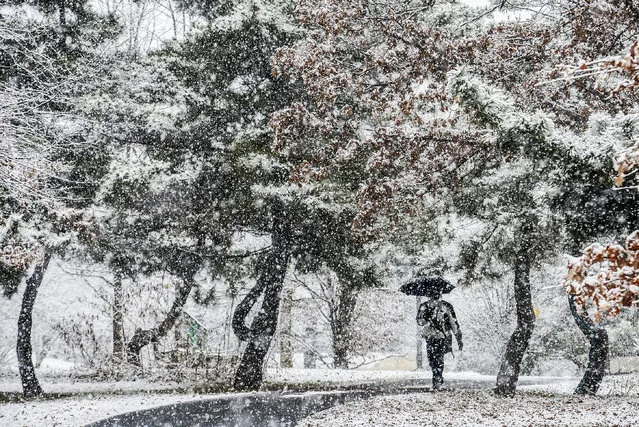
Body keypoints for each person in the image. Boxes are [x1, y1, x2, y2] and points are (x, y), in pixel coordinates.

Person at [417, 292, 463, 389]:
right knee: (431, 358)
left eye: (436, 296)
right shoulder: (424, 307)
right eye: (432, 296)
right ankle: (436, 374)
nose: (434, 298)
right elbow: (419, 321)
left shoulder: (446, 306)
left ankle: (437, 377)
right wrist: (426, 317)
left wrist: (458, 338)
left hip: (442, 336)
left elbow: (453, 322)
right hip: (429, 336)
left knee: (439, 357)